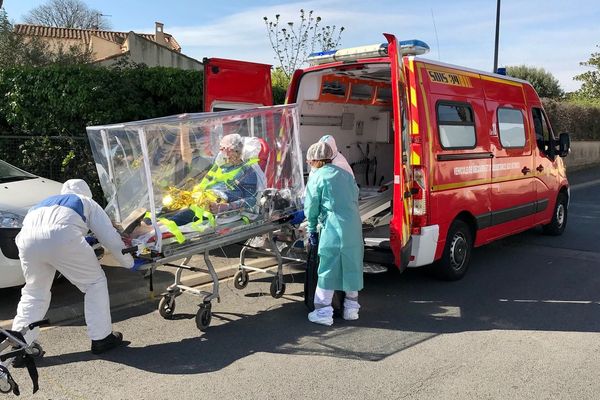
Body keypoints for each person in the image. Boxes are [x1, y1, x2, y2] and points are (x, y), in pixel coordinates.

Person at [11, 179, 137, 357]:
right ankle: (102, 338)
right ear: (87, 192)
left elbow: (48, 230)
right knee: (95, 283)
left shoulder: (43, 203)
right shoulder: (86, 201)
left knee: (34, 292)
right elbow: (109, 236)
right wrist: (129, 262)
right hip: (62, 237)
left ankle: (20, 345)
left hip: (26, 241)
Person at [304, 142, 364, 326]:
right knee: (353, 265)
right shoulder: (346, 175)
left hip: (332, 227)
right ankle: (351, 309)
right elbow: (355, 196)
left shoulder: (318, 177)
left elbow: (312, 206)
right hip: (353, 227)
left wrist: (311, 229)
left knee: (328, 269)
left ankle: (323, 312)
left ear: (314, 160)